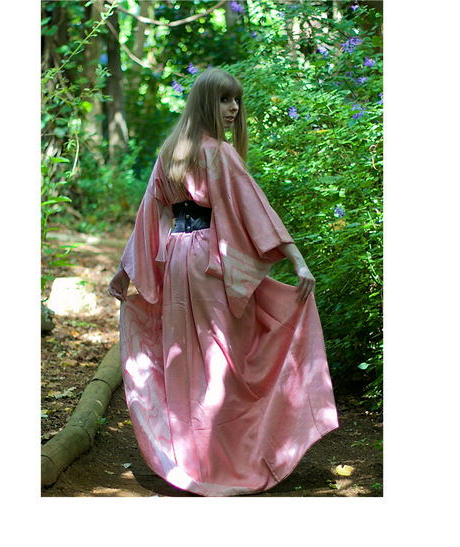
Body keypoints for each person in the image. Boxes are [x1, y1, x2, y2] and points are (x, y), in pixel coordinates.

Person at [108, 68, 338, 499]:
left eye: (236, 101)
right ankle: (225, 464)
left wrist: (126, 271)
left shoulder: (172, 150)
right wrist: (298, 261)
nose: (233, 109)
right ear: (205, 103)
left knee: (190, 360)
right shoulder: (218, 154)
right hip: (207, 262)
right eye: (224, 101)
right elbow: (255, 210)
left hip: (177, 259)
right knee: (224, 362)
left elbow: (150, 215)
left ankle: (193, 459)